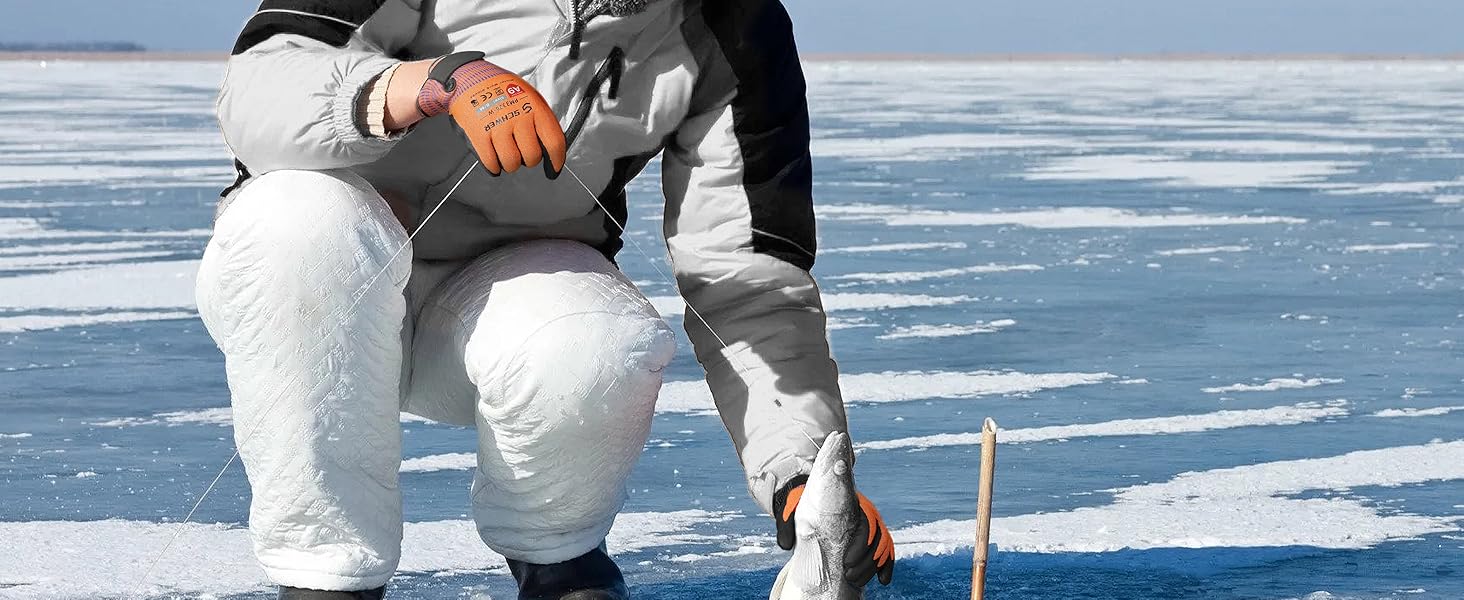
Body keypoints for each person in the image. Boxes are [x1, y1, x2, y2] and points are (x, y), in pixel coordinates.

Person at [198, 1, 895, 598]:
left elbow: (748, 282)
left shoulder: (737, 28)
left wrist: (801, 474)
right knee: (299, 218)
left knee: (600, 341)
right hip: (322, 284)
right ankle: (326, 576)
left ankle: (558, 557)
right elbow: (255, 89)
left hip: (497, 307)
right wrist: (429, 83)